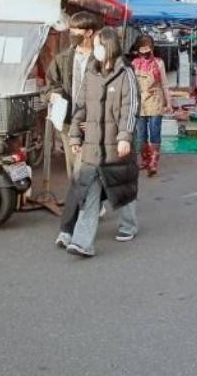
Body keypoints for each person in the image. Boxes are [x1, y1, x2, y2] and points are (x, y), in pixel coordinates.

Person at [57, 28, 139, 257]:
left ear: (110, 46)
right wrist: (75, 135)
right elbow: (80, 107)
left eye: (99, 45)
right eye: (95, 46)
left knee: (122, 185)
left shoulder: (126, 73)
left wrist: (125, 136)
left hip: (116, 144)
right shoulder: (90, 73)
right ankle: (83, 243)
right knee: (88, 190)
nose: (96, 50)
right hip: (92, 144)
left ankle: (129, 225)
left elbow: (130, 108)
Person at [44, 11, 103, 181]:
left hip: (93, 122)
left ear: (89, 32)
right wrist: (54, 95)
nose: (71, 34)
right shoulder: (62, 58)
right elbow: (51, 85)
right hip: (69, 120)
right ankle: (80, 204)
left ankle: (91, 204)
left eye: (76, 30)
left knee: (90, 167)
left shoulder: (102, 59)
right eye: (70, 29)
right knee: (73, 169)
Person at [131, 34, 171, 177]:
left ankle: (153, 162)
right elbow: (131, 85)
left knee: (155, 132)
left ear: (152, 48)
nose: (145, 52)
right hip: (140, 103)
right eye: (142, 49)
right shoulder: (134, 64)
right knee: (141, 135)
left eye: (147, 49)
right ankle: (145, 160)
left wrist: (169, 103)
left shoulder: (159, 63)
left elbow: (165, 84)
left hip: (155, 101)